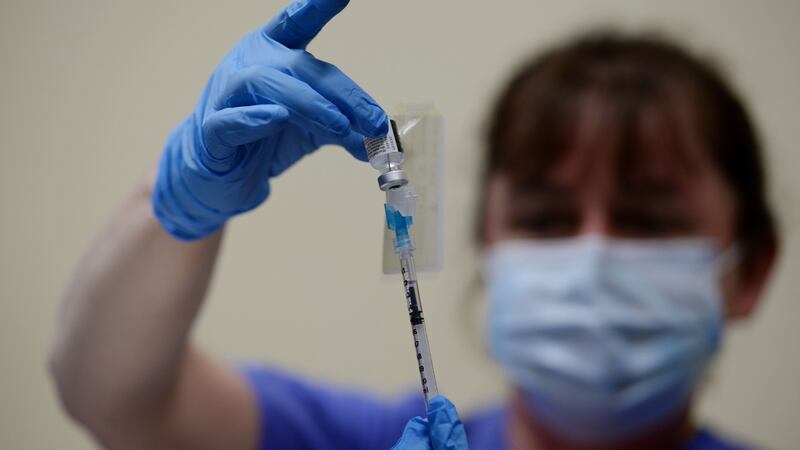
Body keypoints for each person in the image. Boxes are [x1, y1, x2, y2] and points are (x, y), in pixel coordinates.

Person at [48, 0, 778, 449]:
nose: (592, 257)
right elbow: (112, 399)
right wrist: (180, 204)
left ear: (751, 267)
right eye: (546, 219)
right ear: (487, 246)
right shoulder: (367, 441)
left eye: (648, 221)